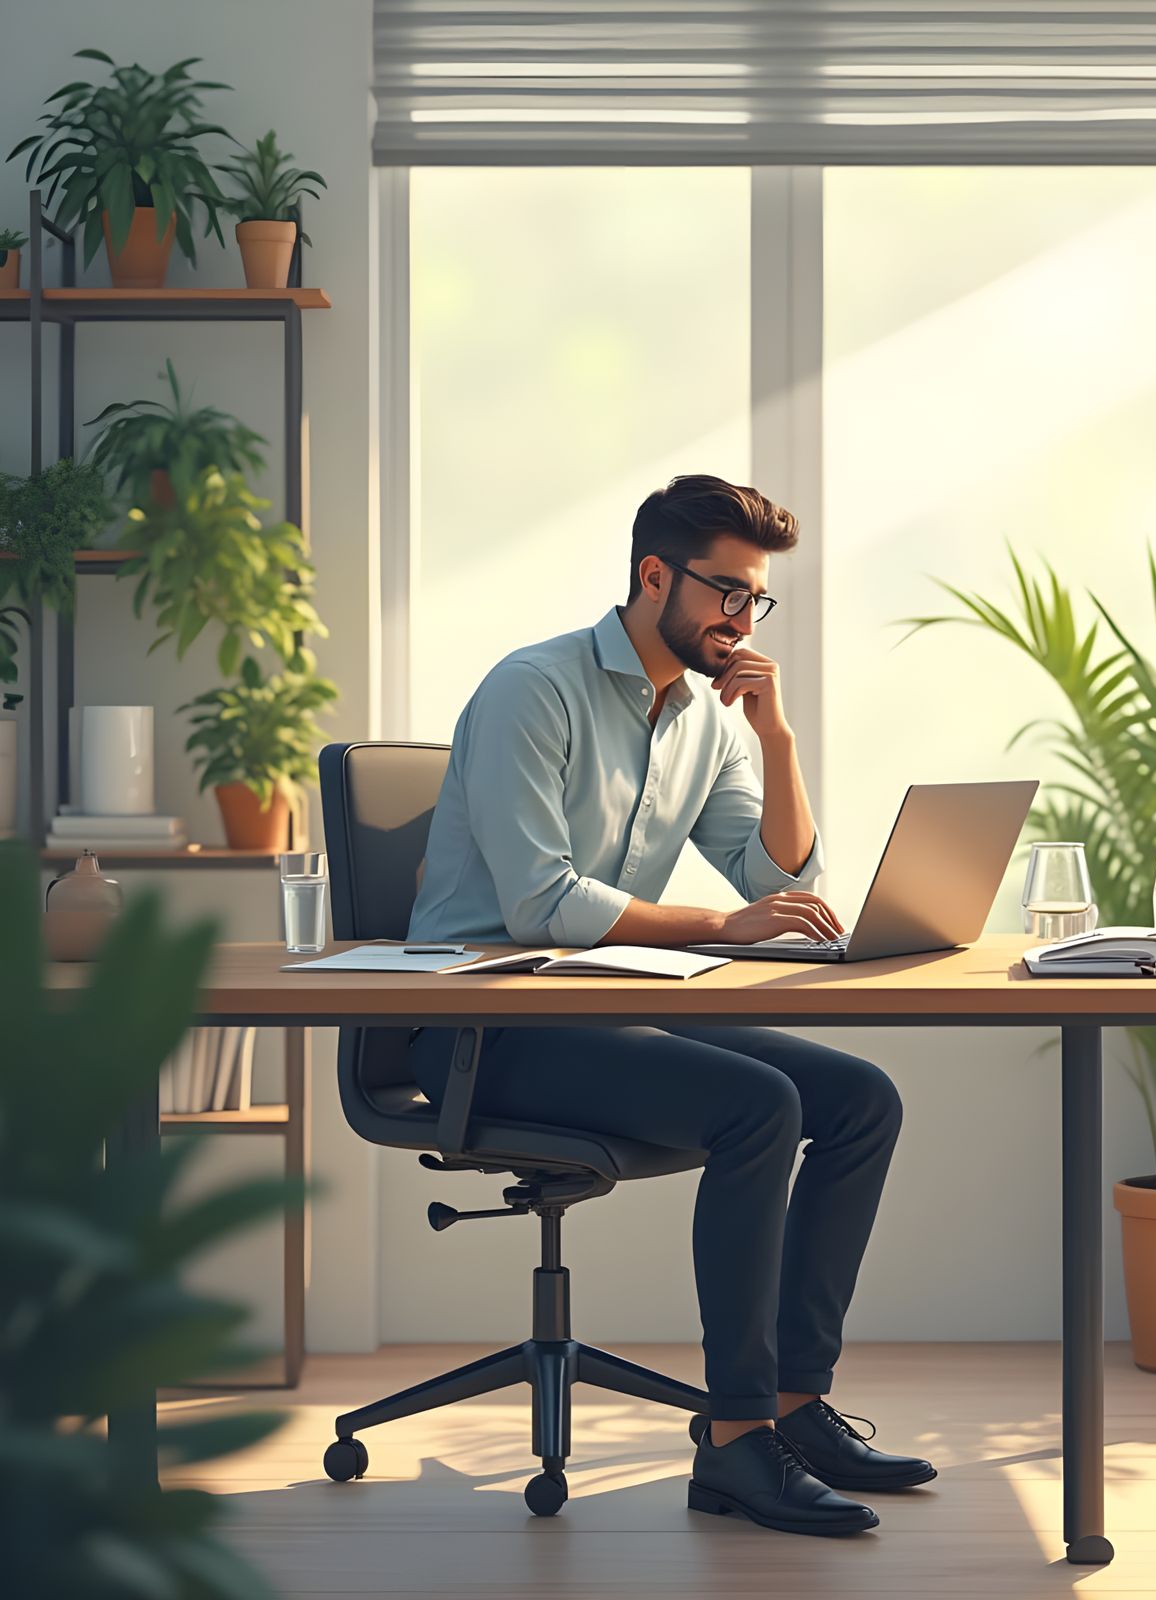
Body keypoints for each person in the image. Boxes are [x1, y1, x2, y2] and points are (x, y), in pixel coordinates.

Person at [407, 474, 935, 1537]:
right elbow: (541, 901)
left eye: (756, 601)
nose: (742, 620)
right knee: (757, 1108)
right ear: (656, 577)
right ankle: (735, 1441)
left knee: (860, 1099)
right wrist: (714, 929)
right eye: (727, 594)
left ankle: (794, 1405)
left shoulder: (706, 714)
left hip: (597, 1006)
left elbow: (777, 881)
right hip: (485, 1026)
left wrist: (775, 737)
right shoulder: (533, 688)